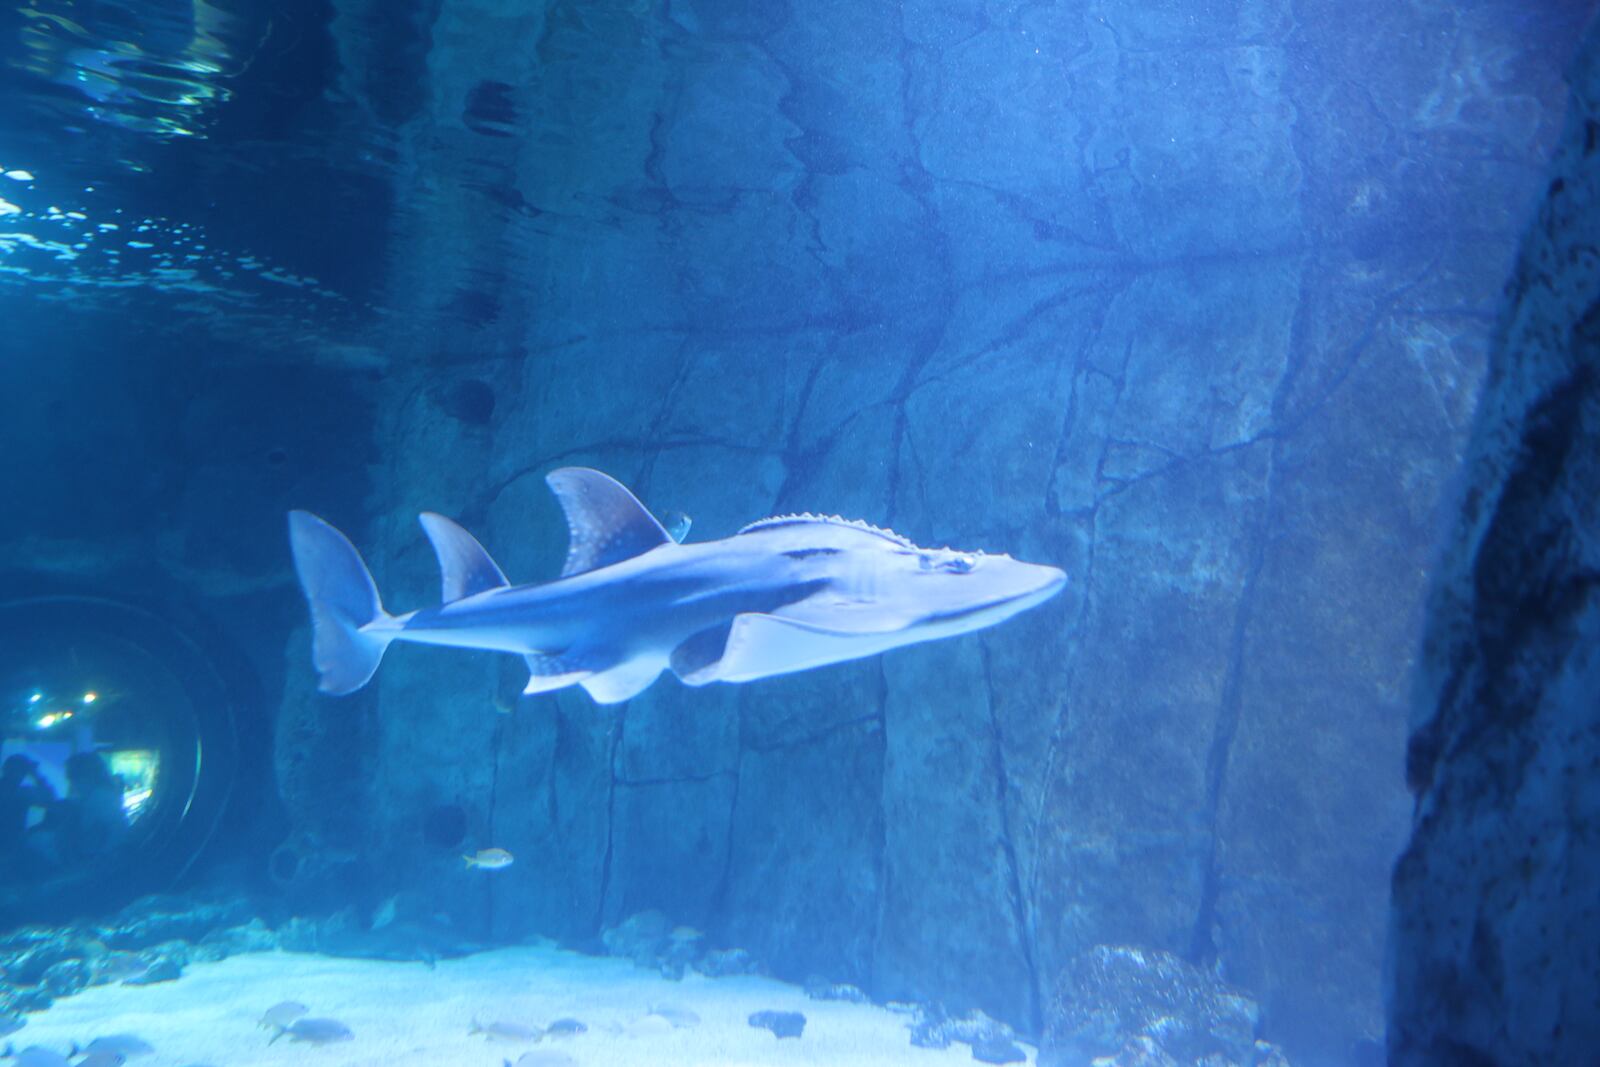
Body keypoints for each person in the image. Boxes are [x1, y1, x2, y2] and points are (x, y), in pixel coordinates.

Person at [0, 754, 58, 879]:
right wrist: (36, 775)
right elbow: (51, 799)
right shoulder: (21, 793)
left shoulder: (21, 792)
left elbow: (50, 800)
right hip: (12, 846)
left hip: (12, 846)